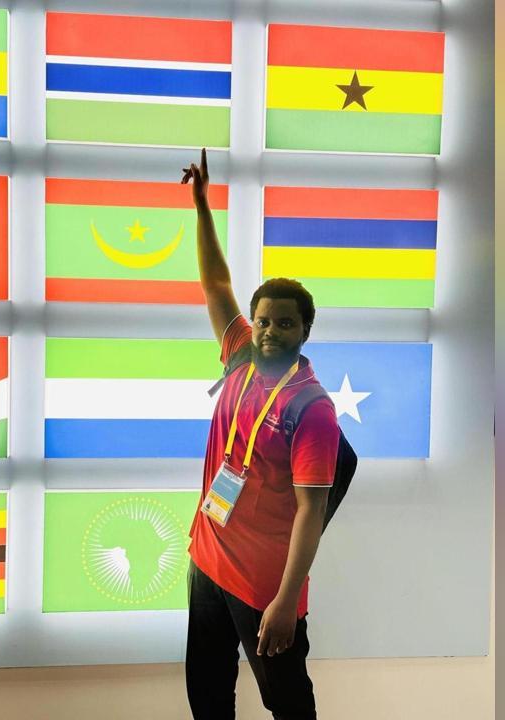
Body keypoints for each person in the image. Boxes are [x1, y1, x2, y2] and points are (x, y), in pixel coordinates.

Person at [179, 148, 341, 720]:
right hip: (209, 558)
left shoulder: (311, 409)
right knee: (207, 692)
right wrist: (202, 206)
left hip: (263, 584)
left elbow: (311, 511)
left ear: (305, 331)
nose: (270, 331)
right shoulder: (240, 354)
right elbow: (215, 283)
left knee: (287, 701)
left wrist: (286, 602)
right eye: (264, 320)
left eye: (285, 323)